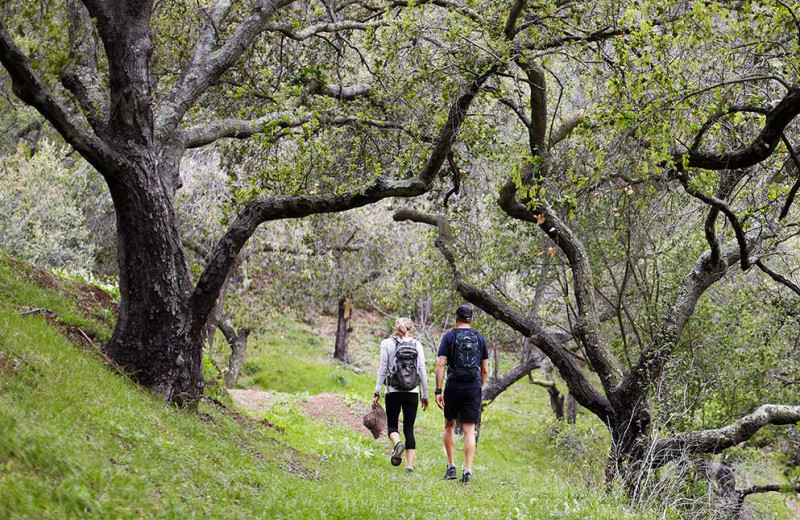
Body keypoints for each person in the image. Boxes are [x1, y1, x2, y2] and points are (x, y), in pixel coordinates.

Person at [435, 304, 489, 483]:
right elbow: (485, 369)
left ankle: (451, 467)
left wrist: (438, 390)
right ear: (471, 320)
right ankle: (467, 471)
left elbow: (441, 364)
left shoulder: (450, 337)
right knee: (469, 430)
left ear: (456, 319)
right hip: (473, 386)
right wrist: (479, 386)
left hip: (454, 386)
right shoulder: (480, 338)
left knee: (449, 425)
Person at [373, 317, 429, 473]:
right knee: (409, 428)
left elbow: (382, 368)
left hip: (393, 391)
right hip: (412, 392)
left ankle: (398, 444)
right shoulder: (417, 344)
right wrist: (425, 394)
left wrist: (377, 391)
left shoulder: (386, 343)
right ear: (411, 329)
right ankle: (409, 467)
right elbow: (422, 371)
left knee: (392, 425)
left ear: (395, 328)